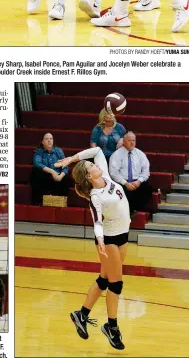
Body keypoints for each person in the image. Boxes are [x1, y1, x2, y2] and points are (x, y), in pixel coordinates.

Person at [55, 146, 130, 351]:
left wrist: (72, 158)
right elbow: (97, 222)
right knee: (116, 284)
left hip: (123, 234)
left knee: (104, 279)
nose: (96, 164)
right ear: (89, 176)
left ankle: (81, 314)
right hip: (109, 239)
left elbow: (96, 150)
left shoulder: (104, 174)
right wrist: (101, 241)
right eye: (91, 166)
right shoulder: (96, 196)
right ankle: (111, 327)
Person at [109, 131, 153, 214]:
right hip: (122, 182)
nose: (132, 143)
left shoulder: (140, 154)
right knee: (123, 190)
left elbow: (146, 170)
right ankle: (129, 211)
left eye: (134, 140)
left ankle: (138, 210)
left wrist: (139, 181)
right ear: (124, 142)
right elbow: (113, 173)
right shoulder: (116, 155)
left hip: (137, 182)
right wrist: (125, 183)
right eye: (129, 140)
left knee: (147, 188)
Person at [31, 132, 70, 204]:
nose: (49, 140)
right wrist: (52, 171)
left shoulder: (58, 151)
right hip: (45, 177)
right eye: (46, 139)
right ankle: (39, 202)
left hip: (57, 177)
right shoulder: (38, 151)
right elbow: (37, 163)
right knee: (35, 171)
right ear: (42, 142)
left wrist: (60, 176)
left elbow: (65, 164)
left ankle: (62, 202)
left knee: (66, 176)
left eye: (51, 139)